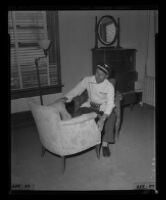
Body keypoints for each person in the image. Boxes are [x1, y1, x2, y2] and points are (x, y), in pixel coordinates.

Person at [60, 63, 116, 157]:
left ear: (106, 76)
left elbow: (110, 103)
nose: (98, 76)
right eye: (97, 73)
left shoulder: (109, 86)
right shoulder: (87, 80)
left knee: (112, 116)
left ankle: (105, 143)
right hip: (90, 106)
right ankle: (73, 139)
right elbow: (76, 90)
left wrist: (103, 118)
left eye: (101, 75)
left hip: (103, 108)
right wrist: (65, 98)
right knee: (76, 115)